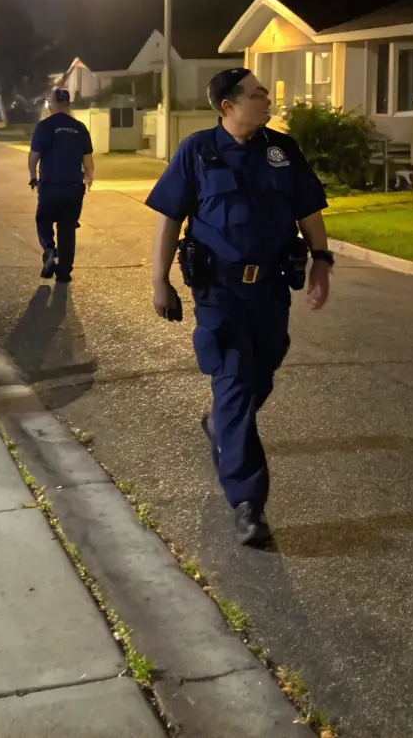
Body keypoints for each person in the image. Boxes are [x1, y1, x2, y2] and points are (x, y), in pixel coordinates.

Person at [146, 68, 332, 547]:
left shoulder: (282, 150)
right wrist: (159, 280)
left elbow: (307, 208)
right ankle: (248, 502)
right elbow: (170, 218)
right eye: (255, 93)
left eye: (264, 91)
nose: (265, 97)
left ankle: (221, 426)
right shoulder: (198, 151)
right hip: (220, 292)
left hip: (270, 289)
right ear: (227, 106)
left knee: (262, 370)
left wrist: (321, 261)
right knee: (233, 378)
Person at [28, 88, 94, 284]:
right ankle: (64, 273)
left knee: (43, 219)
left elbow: (33, 158)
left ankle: (49, 249)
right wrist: (89, 180)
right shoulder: (80, 128)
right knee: (67, 229)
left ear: (53, 104)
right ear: (68, 104)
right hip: (73, 188)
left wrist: (33, 176)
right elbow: (88, 162)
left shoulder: (44, 126)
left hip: (50, 187)